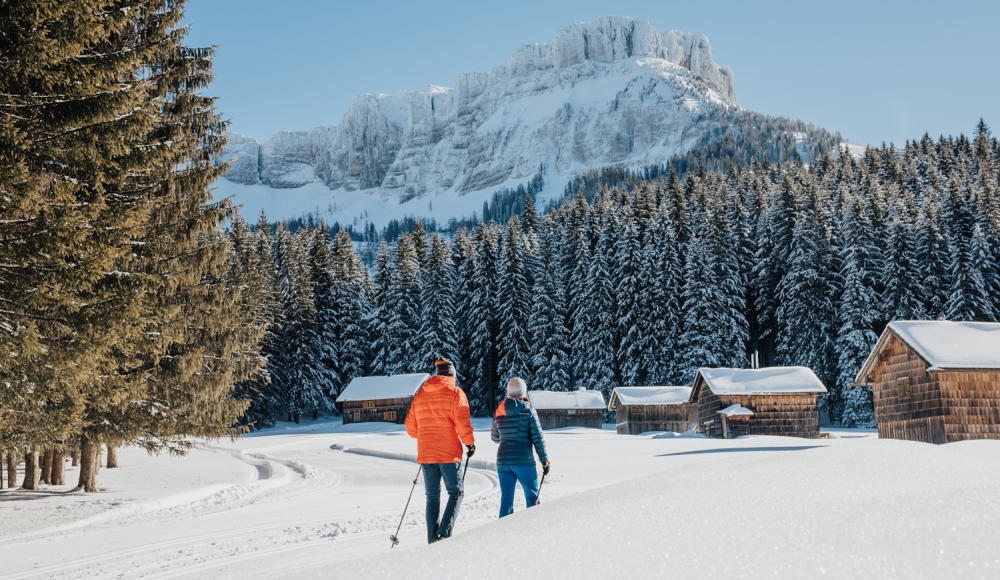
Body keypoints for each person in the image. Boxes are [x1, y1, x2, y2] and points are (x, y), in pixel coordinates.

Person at [404, 358, 475, 543]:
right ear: (452, 376)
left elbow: (411, 428)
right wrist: (469, 443)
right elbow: (463, 423)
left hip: (427, 454)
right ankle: (443, 534)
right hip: (449, 454)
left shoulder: (420, 395)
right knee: (456, 493)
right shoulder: (456, 393)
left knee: (432, 497)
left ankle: (432, 539)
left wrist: (426, 434)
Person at [491, 377, 550, 518]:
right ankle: (533, 526)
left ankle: (503, 529)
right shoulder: (528, 411)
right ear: (524, 392)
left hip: (503, 461)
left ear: (508, 392)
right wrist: (544, 460)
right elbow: (538, 438)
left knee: (506, 501)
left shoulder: (500, 410)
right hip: (524, 460)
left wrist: (507, 436)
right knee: (532, 497)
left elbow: (495, 437)